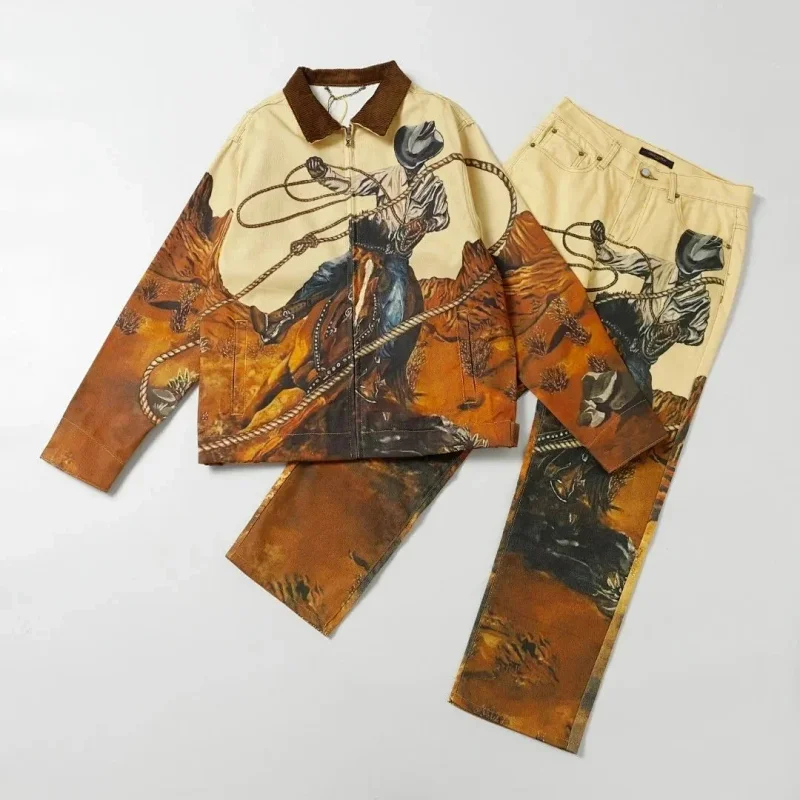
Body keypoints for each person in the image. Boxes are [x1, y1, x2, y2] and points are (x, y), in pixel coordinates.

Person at [250, 121, 450, 401]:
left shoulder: (435, 187)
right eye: (408, 159)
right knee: (329, 270)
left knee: (395, 301)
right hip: (372, 243)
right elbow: (353, 184)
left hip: (396, 256)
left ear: (425, 158)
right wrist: (324, 174)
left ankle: (376, 370)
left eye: (414, 160)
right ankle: (282, 318)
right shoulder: (389, 176)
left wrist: (425, 223)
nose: (409, 165)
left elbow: (443, 218)